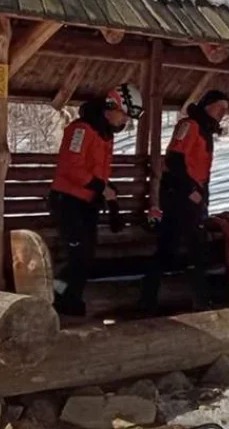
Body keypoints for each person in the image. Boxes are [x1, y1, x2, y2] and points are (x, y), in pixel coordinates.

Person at [49, 83, 143, 316]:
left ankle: (69, 301)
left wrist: (108, 193)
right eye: (125, 115)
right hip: (67, 202)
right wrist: (101, 187)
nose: (125, 122)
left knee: (86, 255)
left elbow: (96, 172)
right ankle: (56, 299)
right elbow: (71, 167)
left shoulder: (105, 135)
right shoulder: (81, 130)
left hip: (86, 204)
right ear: (112, 107)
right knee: (78, 255)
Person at [139, 89, 229, 312]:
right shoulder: (190, 126)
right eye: (220, 107)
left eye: (225, 109)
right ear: (208, 106)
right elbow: (174, 160)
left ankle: (150, 298)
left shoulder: (205, 130)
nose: (222, 113)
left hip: (191, 195)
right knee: (194, 246)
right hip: (180, 196)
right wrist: (191, 189)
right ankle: (200, 300)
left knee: (172, 247)